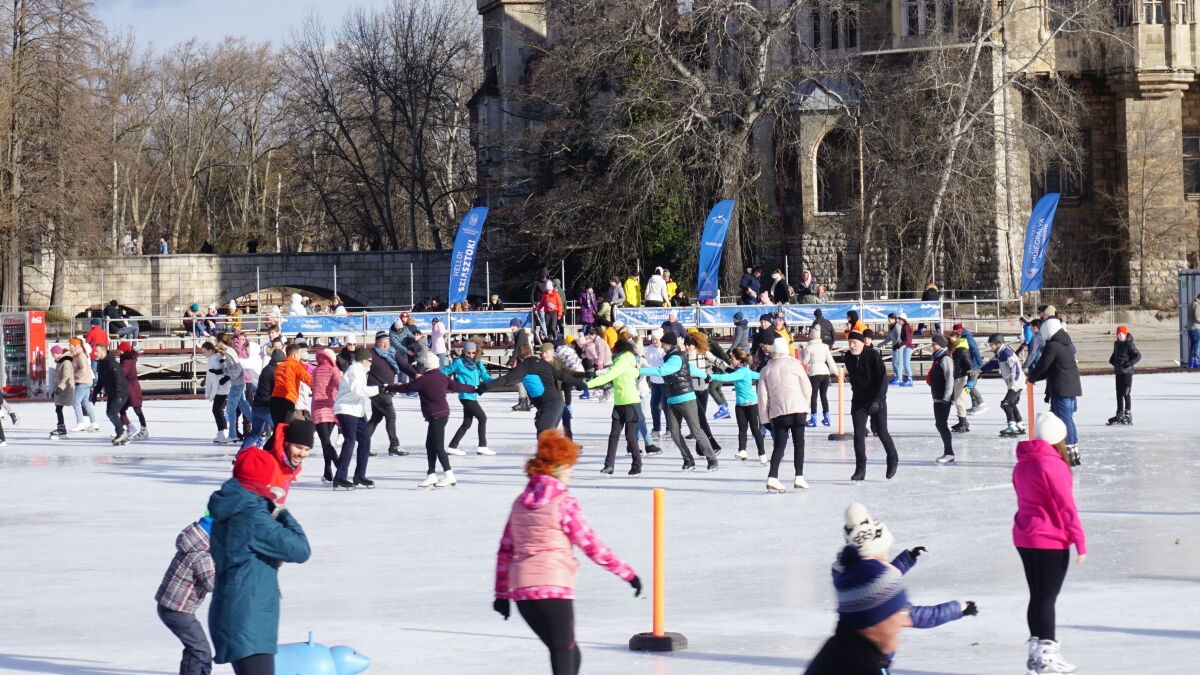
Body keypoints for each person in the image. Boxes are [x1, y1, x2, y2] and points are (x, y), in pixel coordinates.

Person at [493, 430, 641, 675]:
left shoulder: (520, 502)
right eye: (570, 466)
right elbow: (590, 544)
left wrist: (501, 594)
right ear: (558, 467)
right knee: (563, 651)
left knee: (570, 652)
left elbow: (505, 550)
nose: (571, 472)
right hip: (552, 589)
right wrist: (627, 573)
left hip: (523, 593)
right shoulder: (562, 501)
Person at [207, 425, 312, 675]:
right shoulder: (253, 516)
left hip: (239, 613)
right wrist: (281, 512)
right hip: (248, 619)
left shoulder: (230, 506)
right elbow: (300, 549)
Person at [1014, 413, 1087, 674]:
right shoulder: (1053, 465)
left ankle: (1036, 653)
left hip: (1025, 536)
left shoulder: (1023, 463)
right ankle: (1047, 654)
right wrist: (1079, 540)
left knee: (1037, 596)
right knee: (1046, 599)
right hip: (1049, 539)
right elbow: (1067, 506)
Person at [389, 352, 478, 487]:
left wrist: (389, 387)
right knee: (430, 445)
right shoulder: (442, 377)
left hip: (436, 415)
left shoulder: (424, 379)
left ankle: (449, 475)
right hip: (442, 414)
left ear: (426, 365)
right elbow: (458, 386)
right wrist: (475, 389)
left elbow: (405, 387)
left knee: (438, 447)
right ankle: (431, 475)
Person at [637, 331, 719, 471]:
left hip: (686, 399)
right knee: (674, 433)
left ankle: (712, 459)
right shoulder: (672, 357)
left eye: (663, 344)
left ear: (669, 344)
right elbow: (690, 368)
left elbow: (662, 371)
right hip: (672, 399)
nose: (662, 347)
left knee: (696, 431)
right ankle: (688, 460)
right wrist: (705, 375)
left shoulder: (675, 358)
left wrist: (639, 371)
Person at [482, 343, 586, 436]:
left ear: (519, 357)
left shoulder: (525, 366)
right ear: (531, 352)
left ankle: (562, 448)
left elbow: (506, 379)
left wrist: (485, 386)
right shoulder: (543, 363)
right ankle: (560, 448)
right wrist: (579, 383)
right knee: (543, 428)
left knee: (544, 432)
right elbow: (562, 375)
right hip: (555, 403)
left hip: (550, 404)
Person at [155, 514, 215, 675]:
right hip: (178, 611)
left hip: (170, 607)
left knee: (195, 647)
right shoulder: (203, 555)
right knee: (200, 650)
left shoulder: (191, 544)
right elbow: (212, 583)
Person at [756, 338, 812, 491]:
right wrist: (805, 405)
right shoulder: (795, 365)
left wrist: (764, 419)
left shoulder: (766, 370)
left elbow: (762, 397)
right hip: (798, 410)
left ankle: (772, 477)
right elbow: (807, 388)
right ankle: (799, 477)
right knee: (799, 443)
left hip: (779, 413)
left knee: (780, 445)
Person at [1026, 318, 1082, 466]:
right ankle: (1073, 449)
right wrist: (1035, 378)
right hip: (1070, 387)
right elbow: (1050, 368)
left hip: (1061, 388)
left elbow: (1043, 365)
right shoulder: (1066, 344)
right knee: (1068, 419)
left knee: (1064, 419)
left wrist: (1031, 378)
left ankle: (1068, 450)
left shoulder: (1053, 346)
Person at [843, 332, 898, 482]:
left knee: (881, 431)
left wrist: (877, 400)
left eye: (854, 342)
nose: (851, 345)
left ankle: (893, 458)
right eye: (849, 343)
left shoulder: (873, 355)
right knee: (858, 435)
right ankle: (860, 469)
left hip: (876, 399)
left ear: (863, 343)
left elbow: (882, 380)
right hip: (859, 401)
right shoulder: (848, 357)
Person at [585, 339, 644, 475]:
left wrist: (587, 385)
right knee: (614, 436)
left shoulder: (623, 361)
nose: (612, 351)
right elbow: (611, 373)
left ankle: (637, 464)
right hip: (619, 403)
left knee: (630, 436)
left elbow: (609, 376)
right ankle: (609, 465)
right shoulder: (622, 361)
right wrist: (594, 375)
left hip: (631, 403)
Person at [332, 348, 380, 489]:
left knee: (365, 441)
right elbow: (357, 389)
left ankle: (359, 475)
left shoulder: (361, 371)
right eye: (370, 360)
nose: (371, 363)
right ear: (363, 360)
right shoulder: (355, 370)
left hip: (356, 411)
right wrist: (377, 390)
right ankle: (340, 477)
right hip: (346, 409)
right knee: (350, 441)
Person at [710, 348, 764, 464]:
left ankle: (762, 453)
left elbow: (727, 378)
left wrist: (711, 377)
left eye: (732, 358)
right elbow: (753, 375)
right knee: (742, 430)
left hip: (751, 405)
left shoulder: (743, 371)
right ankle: (742, 451)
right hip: (740, 405)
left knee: (755, 430)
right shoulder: (740, 371)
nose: (731, 360)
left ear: (739, 360)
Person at [442, 341, 496, 456]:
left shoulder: (478, 363)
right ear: (464, 352)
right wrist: (434, 377)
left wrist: (499, 381)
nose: (471, 355)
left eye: (473, 353)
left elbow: (485, 377)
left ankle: (452, 447)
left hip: (473, 395)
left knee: (467, 423)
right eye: (468, 353)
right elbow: (445, 371)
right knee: (482, 418)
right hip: (465, 395)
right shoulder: (459, 362)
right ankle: (482, 446)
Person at [367, 331, 412, 455]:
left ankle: (363, 443)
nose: (386, 345)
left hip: (387, 389)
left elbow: (404, 365)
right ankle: (394, 446)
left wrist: (416, 374)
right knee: (391, 416)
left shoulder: (392, 352)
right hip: (378, 390)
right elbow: (361, 368)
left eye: (387, 342)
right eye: (383, 343)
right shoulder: (371, 354)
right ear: (377, 343)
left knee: (376, 417)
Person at [981, 334, 1026, 438]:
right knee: (1011, 403)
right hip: (1013, 382)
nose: (990, 347)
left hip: (1017, 382)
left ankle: (1012, 426)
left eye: (991, 344)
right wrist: (979, 369)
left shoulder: (1006, 353)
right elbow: (993, 364)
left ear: (998, 343)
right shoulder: (1000, 353)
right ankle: (1020, 425)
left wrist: (1014, 383)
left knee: (1006, 403)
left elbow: (1015, 368)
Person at [311, 348, 343, 483]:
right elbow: (340, 385)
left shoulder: (315, 371)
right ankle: (335, 468)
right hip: (330, 407)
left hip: (317, 408)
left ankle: (331, 470)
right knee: (326, 441)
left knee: (325, 441)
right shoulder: (333, 370)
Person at [93, 343, 131, 445]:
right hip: (112, 393)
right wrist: (95, 393)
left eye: (97, 351)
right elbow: (101, 380)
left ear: (103, 351)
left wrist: (118, 394)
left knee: (112, 413)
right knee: (110, 413)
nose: (95, 353)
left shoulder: (112, 363)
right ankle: (122, 434)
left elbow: (118, 379)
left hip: (121, 393)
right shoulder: (101, 364)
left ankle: (121, 433)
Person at [217, 335, 251, 444]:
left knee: (230, 409)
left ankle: (232, 435)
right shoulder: (229, 351)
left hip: (237, 384)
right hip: (238, 383)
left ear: (221, 341)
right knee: (244, 407)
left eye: (217, 341)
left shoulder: (229, 352)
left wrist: (227, 374)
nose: (216, 343)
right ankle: (259, 426)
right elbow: (233, 368)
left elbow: (237, 368)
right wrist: (224, 368)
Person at [927, 335, 955, 464]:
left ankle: (949, 453)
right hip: (937, 396)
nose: (932, 346)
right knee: (940, 424)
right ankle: (948, 452)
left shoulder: (945, 358)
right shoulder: (938, 359)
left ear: (941, 345)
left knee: (941, 424)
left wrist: (947, 397)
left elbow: (950, 378)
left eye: (934, 344)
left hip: (943, 398)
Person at [269, 342, 312, 425]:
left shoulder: (279, 366)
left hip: (275, 399)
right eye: (299, 354)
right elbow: (308, 379)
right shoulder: (296, 366)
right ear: (295, 355)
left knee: (278, 428)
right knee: (285, 427)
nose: (300, 356)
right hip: (288, 398)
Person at [1107, 325, 1141, 426]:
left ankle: (1128, 414)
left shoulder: (1129, 344)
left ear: (1125, 334)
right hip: (1118, 372)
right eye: (1118, 334)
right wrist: (1112, 360)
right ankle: (1119, 413)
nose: (1120, 335)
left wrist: (1128, 364)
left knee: (1126, 393)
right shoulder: (1116, 344)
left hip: (1127, 373)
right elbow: (1115, 354)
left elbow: (1138, 356)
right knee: (1119, 394)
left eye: (1121, 334)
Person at [804, 328, 838, 427]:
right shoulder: (825, 347)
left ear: (811, 335)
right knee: (824, 396)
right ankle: (827, 418)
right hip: (825, 372)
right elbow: (830, 361)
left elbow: (805, 361)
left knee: (813, 396)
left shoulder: (809, 348)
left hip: (815, 372)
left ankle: (813, 419)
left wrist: (802, 352)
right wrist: (837, 372)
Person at [250, 350, 284, 445]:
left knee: (254, 435)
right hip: (266, 406)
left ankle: (242, 452)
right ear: (278, 362)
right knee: (281, 430)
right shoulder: (274, 372)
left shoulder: (267, 369)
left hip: (257, 405)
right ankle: (279, 452)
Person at [952, 323, 987, 415]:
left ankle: (980, 402)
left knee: (970, 385)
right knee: (970, 384)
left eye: (958, 331)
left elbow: (975, 349)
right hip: (968, 363)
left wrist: (979, 363)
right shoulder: (960, 336)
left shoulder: (967, 337)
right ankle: (975, 406)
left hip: (973, 364)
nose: (957, 333)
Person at [118, 342, 149, 440]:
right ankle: (126, 429)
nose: (118, 351)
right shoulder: (127, 357)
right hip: (128, 387)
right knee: (121, 408)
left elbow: (123, 372)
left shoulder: (127, 359)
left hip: (132, 388)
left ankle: (144, 429)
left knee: (137, 408)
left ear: (124, 350)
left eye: (120, 349)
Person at [68, 338, 100, 432]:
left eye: (70, 344)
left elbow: (84, 370)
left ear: (75, 346)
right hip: (86, 381)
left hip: (83, 381)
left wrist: (74, 378)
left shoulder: (81, 355)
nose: (69, 346)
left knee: (76, 401)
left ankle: (80, 423)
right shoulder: (78, 354)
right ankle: (94, 423)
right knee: (85, 402)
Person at [203, 342, 232, 443]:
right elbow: (211, 375)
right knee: (217, 410)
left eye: (205, 352)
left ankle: (223, 432)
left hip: (222, 389)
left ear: (211, 350)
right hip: (219, 389)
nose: (203, 354)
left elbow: (223, 371)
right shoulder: (212, 358)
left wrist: (221, 379)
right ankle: (221, 432)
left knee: (217, 410)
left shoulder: (216, 358)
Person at [947, 332, 974, 434]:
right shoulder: (953, 349)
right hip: (956, 377)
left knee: (959, 401)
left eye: (952, 338)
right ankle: (962, 421)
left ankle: (964, 423)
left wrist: (970, 381)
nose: (950, 340)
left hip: (962, 378)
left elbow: (970, 366)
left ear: (957, 338)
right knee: (956, 400)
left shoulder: (962, 350)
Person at [50, 345, 74, 438]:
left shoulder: (66, 362)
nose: (52, 356)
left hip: (65, 388)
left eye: (53, 354)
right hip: (62, 388)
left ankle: (62, 429)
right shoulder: (60, 362)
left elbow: (66, 376)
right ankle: (61, 428)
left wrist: (60, 388)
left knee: (59, 409)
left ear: (57, 353)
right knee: (58, 409)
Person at [1190, 292, 1200, 369]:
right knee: (1197, 345)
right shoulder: (1197, 305)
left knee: (1193, 345)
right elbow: (1197, 317)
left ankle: (1191, 362)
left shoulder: (1190, 305)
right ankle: (1196, 361)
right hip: (1196, 327)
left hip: (1190, 328)